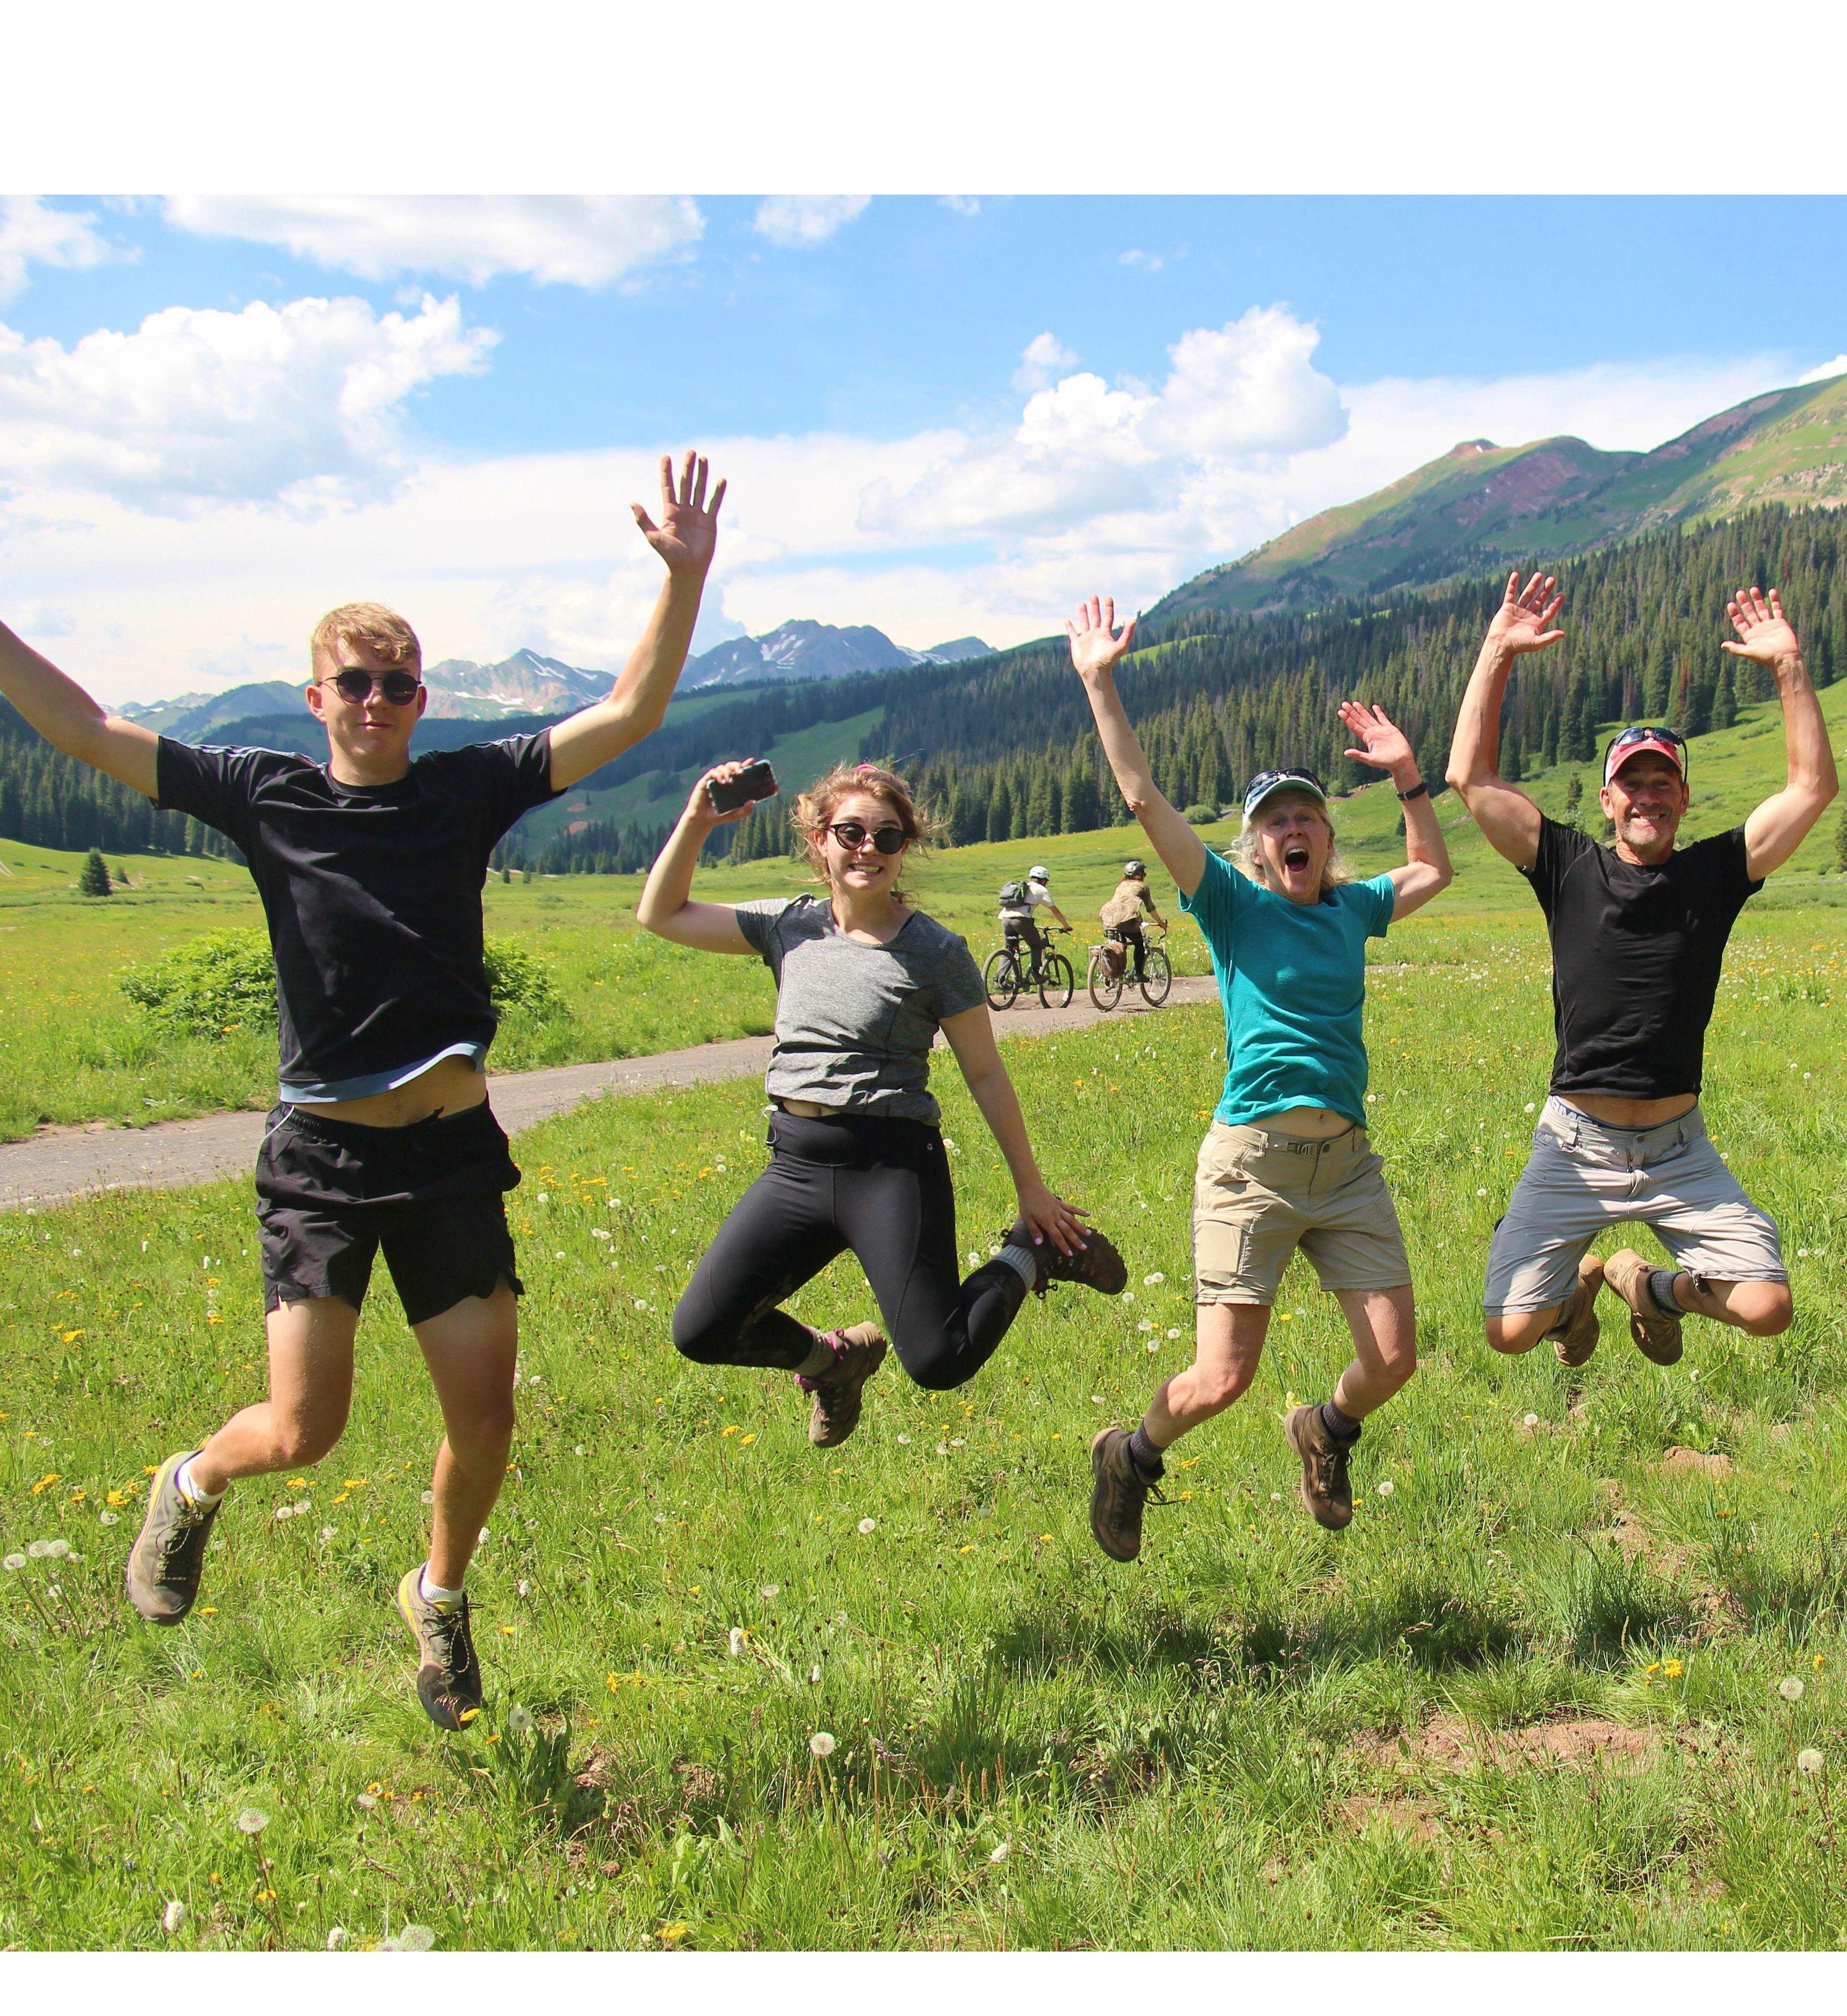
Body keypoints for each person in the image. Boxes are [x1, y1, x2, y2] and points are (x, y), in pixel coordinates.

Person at [0, 453, 727, 1728]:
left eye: (398, 683)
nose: (378, 700)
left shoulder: (467, 786)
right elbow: (83, 729)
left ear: (419, 695)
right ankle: (192, 1480)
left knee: (487, 1419)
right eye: (357, 682)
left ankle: (438, 1600)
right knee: (302, 1428)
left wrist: (683, 579)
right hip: (323, 1162)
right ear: (317, 696)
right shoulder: (261, 793)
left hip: (447, 1153)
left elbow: (629, 714)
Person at [1064, 596, 1452, 1559]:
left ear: (1326, 837)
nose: (1293, 828)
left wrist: (1408, 777)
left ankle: (1326, 1428)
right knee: (1220, 1381)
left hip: (1347, 1168)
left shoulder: (1354, 908)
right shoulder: (1230, 906)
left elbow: (1432, 868)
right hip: (1254, 1166)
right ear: (1253, 847)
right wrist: (1100, 683)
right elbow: (1146, 801)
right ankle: (1133, 1456)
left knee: (1394, 1361)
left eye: (1306, 816)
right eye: (1275, 821)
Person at [639, 759, 1125, 1434]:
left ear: (904, 849)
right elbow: (659, 912)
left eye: (887, 837)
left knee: (939, 1358)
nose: (868, 847)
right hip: (796, 1165)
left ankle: (1028, 1253)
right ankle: (835, 1360)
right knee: (702, 1329)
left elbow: (984, 1073)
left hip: (891, 1167)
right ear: (820, 841)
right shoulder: (787, 925)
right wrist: (697, 821)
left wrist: (1031, 1188)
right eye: (850, 832)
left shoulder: (935, 951)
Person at [1446, 570, 1838, 1370]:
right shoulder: (1564, 864)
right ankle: (1579, 1293)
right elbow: (1470, 778)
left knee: (1768, 1308)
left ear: (1685, 797)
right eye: (1633, 783)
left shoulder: (1718, 874)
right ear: (1607, 799)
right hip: (1576, 1142)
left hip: (1676, 1147)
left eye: (1663, 781)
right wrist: (1497, 650)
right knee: (1509, 1333)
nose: (1648, 795)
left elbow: (1812, 786)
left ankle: (1647, 1287)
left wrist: (1789, 667)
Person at [996, 863, 1071, 979]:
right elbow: (1055, 911)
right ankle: (1036, 975)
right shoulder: (1041, 889)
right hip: (1021, 921)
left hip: (1005, 920)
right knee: (1036, 945)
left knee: (1009, 949)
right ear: (1044, 881)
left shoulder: (1023, 886)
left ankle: (1000, 979)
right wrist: (1066, 925)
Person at [1096, 858, 1166, 978]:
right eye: (1144, 874)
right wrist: (1161, 923)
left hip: (1108, 920)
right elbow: (1151, 908)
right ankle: (1139, 974)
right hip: (1127, 921)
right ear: (1139, 875)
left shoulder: (1121, 886)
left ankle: (1116, 974)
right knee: (1139, 944)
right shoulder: (1142, 887)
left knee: (1121, 945)